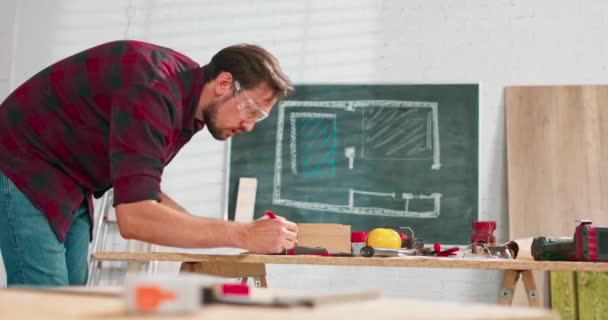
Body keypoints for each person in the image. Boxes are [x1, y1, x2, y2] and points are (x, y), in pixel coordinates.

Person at [0, 40, 298, 286]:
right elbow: (136, 217)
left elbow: (141, 191)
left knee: (74, 294)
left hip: (72, 178)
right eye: (250, 110)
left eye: (259, 117)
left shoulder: (187, 107)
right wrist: (242, 234)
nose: (248, 126)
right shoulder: (155, 91)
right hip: (24, 161)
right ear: (223, 83)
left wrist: (224, 233)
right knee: (45, 300)